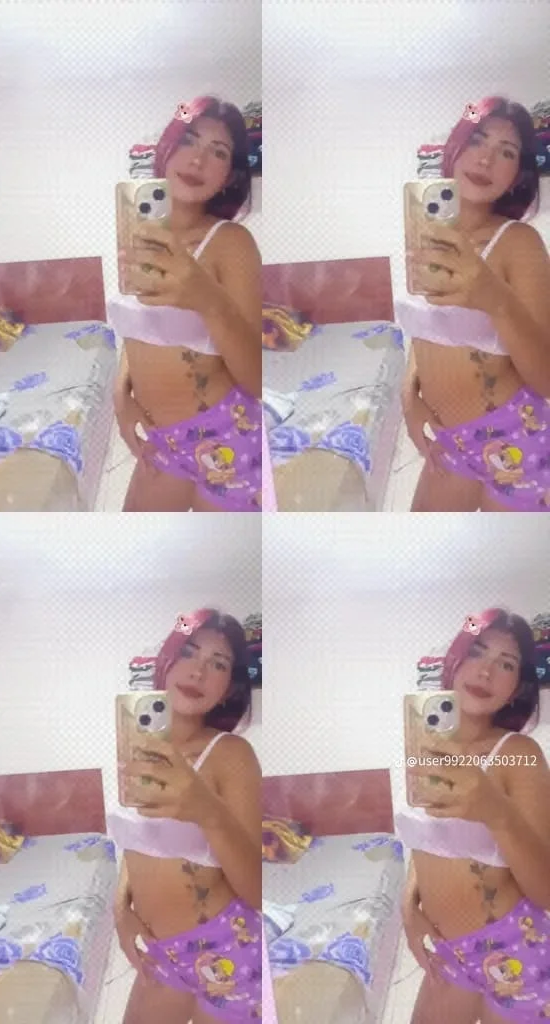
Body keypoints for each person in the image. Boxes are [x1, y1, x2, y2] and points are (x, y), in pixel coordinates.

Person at [107, 96, 262, 512]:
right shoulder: (139, 234)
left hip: (227, 436)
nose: (198, 160)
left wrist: (208, 299)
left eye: (218, 152)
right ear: (166, 148)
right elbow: (142, 326)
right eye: (189, 140)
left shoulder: (232, 244)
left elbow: (257, 379)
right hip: (161, 441)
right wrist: (121, 392)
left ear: (229, 176)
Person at [396, 96, 550, 512]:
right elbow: (429, 326)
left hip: (516, 438)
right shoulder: (427, 233)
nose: (486, 159)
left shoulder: (520, 244)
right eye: (478, 140)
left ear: (516, 175)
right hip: (449, 442)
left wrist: (495, 298)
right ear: (455, 147)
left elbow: (546, 379)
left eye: (507, 152)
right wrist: (409, 393)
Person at [107, 609, 262, 1023]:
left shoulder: (231, 756)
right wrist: (121, 908)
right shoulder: (138, 748)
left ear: (228, 689)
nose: (198, 671)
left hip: (227, 949)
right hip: (160, 952)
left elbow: (257, 890)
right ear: (166, 662)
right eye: (189, 652)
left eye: (218, 664)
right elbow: (140, 841)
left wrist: (208, 811)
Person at [396, 608, 550, 1024]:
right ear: (454, 660)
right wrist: (408, 905)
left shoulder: (519, 754)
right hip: (449, 953)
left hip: (515, 951)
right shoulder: (426, 745)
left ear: (516, 689)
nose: (486, 671)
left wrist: (497, 811)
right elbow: (429, 839)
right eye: (477, 651)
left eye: (507, 664)